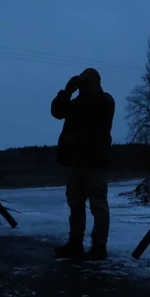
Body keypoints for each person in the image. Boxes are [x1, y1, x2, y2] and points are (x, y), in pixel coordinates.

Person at [50, 68, 115, 261]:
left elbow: (95, 111)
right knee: (75, 203)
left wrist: (83, 89)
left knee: (98, 204)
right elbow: (57, 112)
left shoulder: (104, 100)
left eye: (87, 82)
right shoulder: (76, 102)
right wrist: (66, 92)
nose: (83, 86)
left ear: (95, 83)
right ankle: (75, 242)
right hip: (77, 161)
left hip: (95, 161)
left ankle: (99, 245)